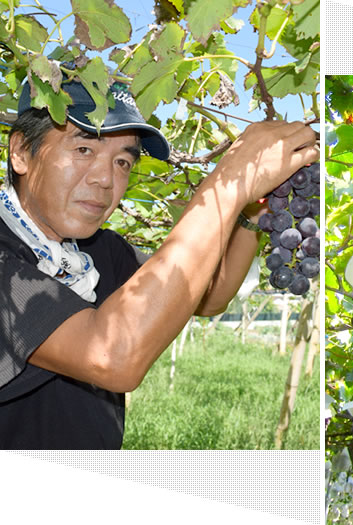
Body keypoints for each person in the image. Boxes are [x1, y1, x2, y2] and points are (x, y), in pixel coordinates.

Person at [0, 78, 318, 449]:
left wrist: (249, 214)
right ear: (21, 152)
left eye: (122, 161)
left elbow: (207, 295)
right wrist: (229, 182)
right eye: (84, 148)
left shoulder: (97, 250)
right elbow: (111, 356)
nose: (106, 179)